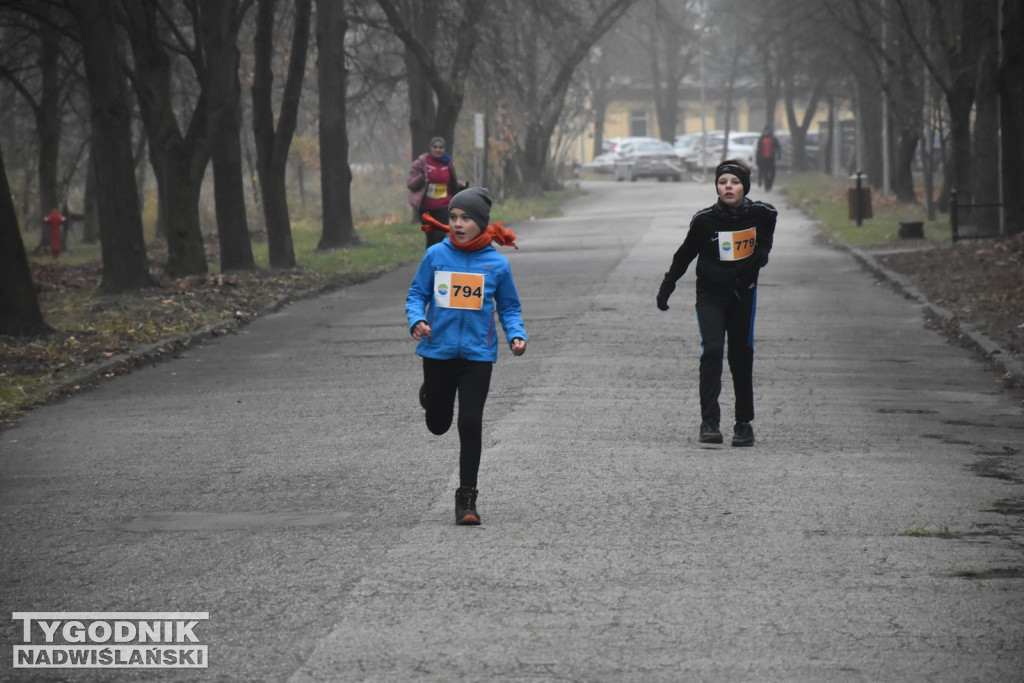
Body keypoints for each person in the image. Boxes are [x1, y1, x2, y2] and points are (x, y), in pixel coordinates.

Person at [406, 187, 527, 525]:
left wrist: (516, 334)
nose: (458, 224)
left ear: (481, 223)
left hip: (477, 355)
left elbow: (509, 307)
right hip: (437, 352)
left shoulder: (496, 265)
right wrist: (416, 319)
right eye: (454, 217)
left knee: (470, 422)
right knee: (438, 424)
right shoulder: (435, 256)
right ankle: (430, 396)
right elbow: (417, 293)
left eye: (466, 218)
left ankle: (467, 497)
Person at [656, 159, 776, 447]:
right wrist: (667, 285)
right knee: (711, 351)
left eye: (734, 182)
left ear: (744, 187)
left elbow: (766, 240)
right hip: (710, 295)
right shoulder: (704, 221)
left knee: (740, 355)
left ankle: (743, 423)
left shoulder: (762, 214)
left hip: (742, 295)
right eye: (723, 183)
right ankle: (709, 421)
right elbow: (684, 254)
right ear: (717, 188)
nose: (728, 187)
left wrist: (758, 258)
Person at [406, 136, 467, 248]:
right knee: (430, 237)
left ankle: (439, 261)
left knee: (440, 235)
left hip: (443, 206)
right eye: (435, 147)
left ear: (444, 149)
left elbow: (451, 182)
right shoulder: (421, 163)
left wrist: (461, 185)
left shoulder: (448, 163)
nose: (438, 149)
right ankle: (430, 261)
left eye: (441, 147)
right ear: (430, 148)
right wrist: (421, 178)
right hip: (426, 207)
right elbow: (411, 184)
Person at [755, 126, 781, 191]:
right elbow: (758, 149)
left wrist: (779, 154)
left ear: (769, 131)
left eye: (767, 131)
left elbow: (778, 147)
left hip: (771, 158)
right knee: (765, 173)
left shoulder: (773, 138)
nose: (766, 132)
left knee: (772, 173)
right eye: (765, 131)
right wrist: (757, 158)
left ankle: (770, 183)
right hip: (763, 158)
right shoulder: (761, 139)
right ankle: (766, 186)